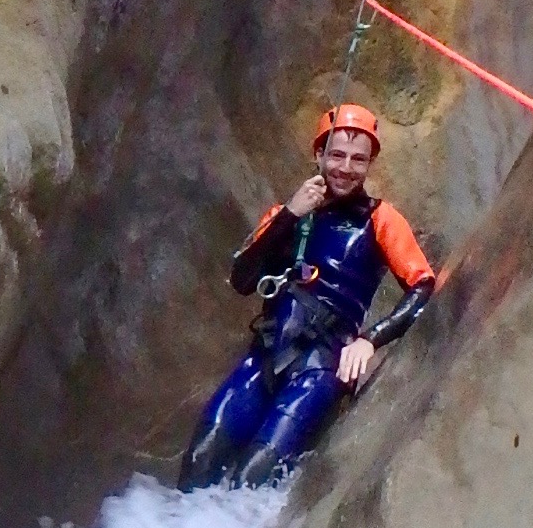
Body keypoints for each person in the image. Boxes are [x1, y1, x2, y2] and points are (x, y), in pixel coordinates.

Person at [179, 103, 436, 489]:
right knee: (199, 462)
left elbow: (423, 285)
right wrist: (291, 215)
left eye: (358, 160)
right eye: (336, 155)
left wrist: (371, 339)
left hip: (321, 368)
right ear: (318, 155)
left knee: (253, 478)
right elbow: (242, 278)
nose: (346, 168)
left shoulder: (380, 219)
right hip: (265, 356)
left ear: (370, 164)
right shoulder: (287, 215)